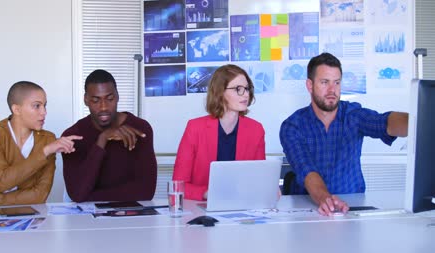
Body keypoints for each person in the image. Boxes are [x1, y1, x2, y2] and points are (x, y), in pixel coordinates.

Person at [279, 52, 408, 216]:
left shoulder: (353, 115)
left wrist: (418, 120)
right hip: (308, 208)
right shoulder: (292, 126)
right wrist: (326, 198)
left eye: (337, 83)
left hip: (352, 206)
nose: (332, 90)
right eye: (325, 82)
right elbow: (306, 170)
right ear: (310, 85)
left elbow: (385, 122)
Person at [0, 81, 81, 206]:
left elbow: (40, 195)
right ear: (16, 109)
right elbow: (1, 181)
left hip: (20, 210)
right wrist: (43, 153)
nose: (44, 112)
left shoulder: (48, 140)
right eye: (37, 106)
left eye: (45, 105)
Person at [173, 64, 266, 201]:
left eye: (247, 89)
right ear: (220, 92)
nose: (246, 94)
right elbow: (178, 186)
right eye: (238, 89)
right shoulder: (195, 128)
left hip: (241, 206)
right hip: (201, 209)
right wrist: (206, 193)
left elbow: (259, 179)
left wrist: (267, 188)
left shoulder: (256, 129)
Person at [62, 69, 157, 202]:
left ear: (117, 96)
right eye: (96, 100)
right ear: (86, 100)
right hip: (88, 219)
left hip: (131, 217)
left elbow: (146, 192)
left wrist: (90, 197)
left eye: (110, 99)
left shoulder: (140, 128)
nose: (103, 107)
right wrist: (103, 139)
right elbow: (77, 194)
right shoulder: (73, 135)